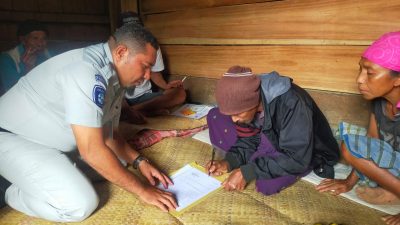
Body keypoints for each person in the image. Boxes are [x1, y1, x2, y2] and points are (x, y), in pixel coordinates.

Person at [0, 23, 177, 222]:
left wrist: (140, 161)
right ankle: (14, 192)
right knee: (80, 204)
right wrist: (143, 190)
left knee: (118, 162)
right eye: (145, 66)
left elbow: (109, 134)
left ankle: (51, 175)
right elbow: (91, 151)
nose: (147, 76)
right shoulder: (86, 72)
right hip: (13, 138)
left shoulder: (115, 76)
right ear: (121, 52)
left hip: (51, 142)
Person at [206, 66, 340, 195]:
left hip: (305, 152)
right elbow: (248, 137)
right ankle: (258, 155)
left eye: (238, 114)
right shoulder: (247, 104)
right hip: (269, 136)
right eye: (232, 114)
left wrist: (247, 172)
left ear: (254, 102)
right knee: (215, 115)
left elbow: (296, 158)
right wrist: (228, 162)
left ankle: (302, 164)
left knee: (266, 185)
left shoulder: (292, 104)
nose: (234, 119)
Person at [316, 31, 400, 225]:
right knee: (349, 144)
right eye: (360, 70)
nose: (359, 79)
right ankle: (391, 191)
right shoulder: (378, 104)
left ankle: (392, 191)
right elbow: (369, 146)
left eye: (369, 73)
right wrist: (348, 182)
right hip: (394, 163)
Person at [117, 11, 186, 124]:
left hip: (145, 97)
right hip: (120, 100)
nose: (134, 34)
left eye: (137, 30)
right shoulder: (117, 51)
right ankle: (137, 111)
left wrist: (166, 86)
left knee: (180, 93)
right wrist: (122, 106)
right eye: (129, 31)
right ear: (119, 31)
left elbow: (154, 73)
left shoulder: (151, 46)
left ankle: (135, 111)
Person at [0, 20, 51, 96]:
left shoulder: (49, 55)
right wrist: (29, 68)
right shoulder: (7, 59)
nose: (40, 44)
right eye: (35, 38)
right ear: (23, 40)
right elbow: (14, 92)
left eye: (44, 39)